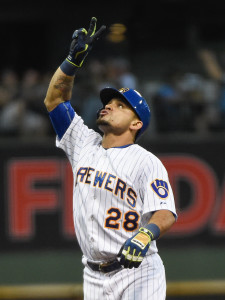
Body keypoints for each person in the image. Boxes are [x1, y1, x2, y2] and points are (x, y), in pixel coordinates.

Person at [44, 17, 177, 300]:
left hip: (139, 272)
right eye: (108, 102)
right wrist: (71, 62)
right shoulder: (82, 142)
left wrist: (146, 234)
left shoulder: (146, 161)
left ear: (136, 124)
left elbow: (165, 212)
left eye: (120, 106)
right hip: (93, 275)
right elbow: (55, 101)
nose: (108, 107)